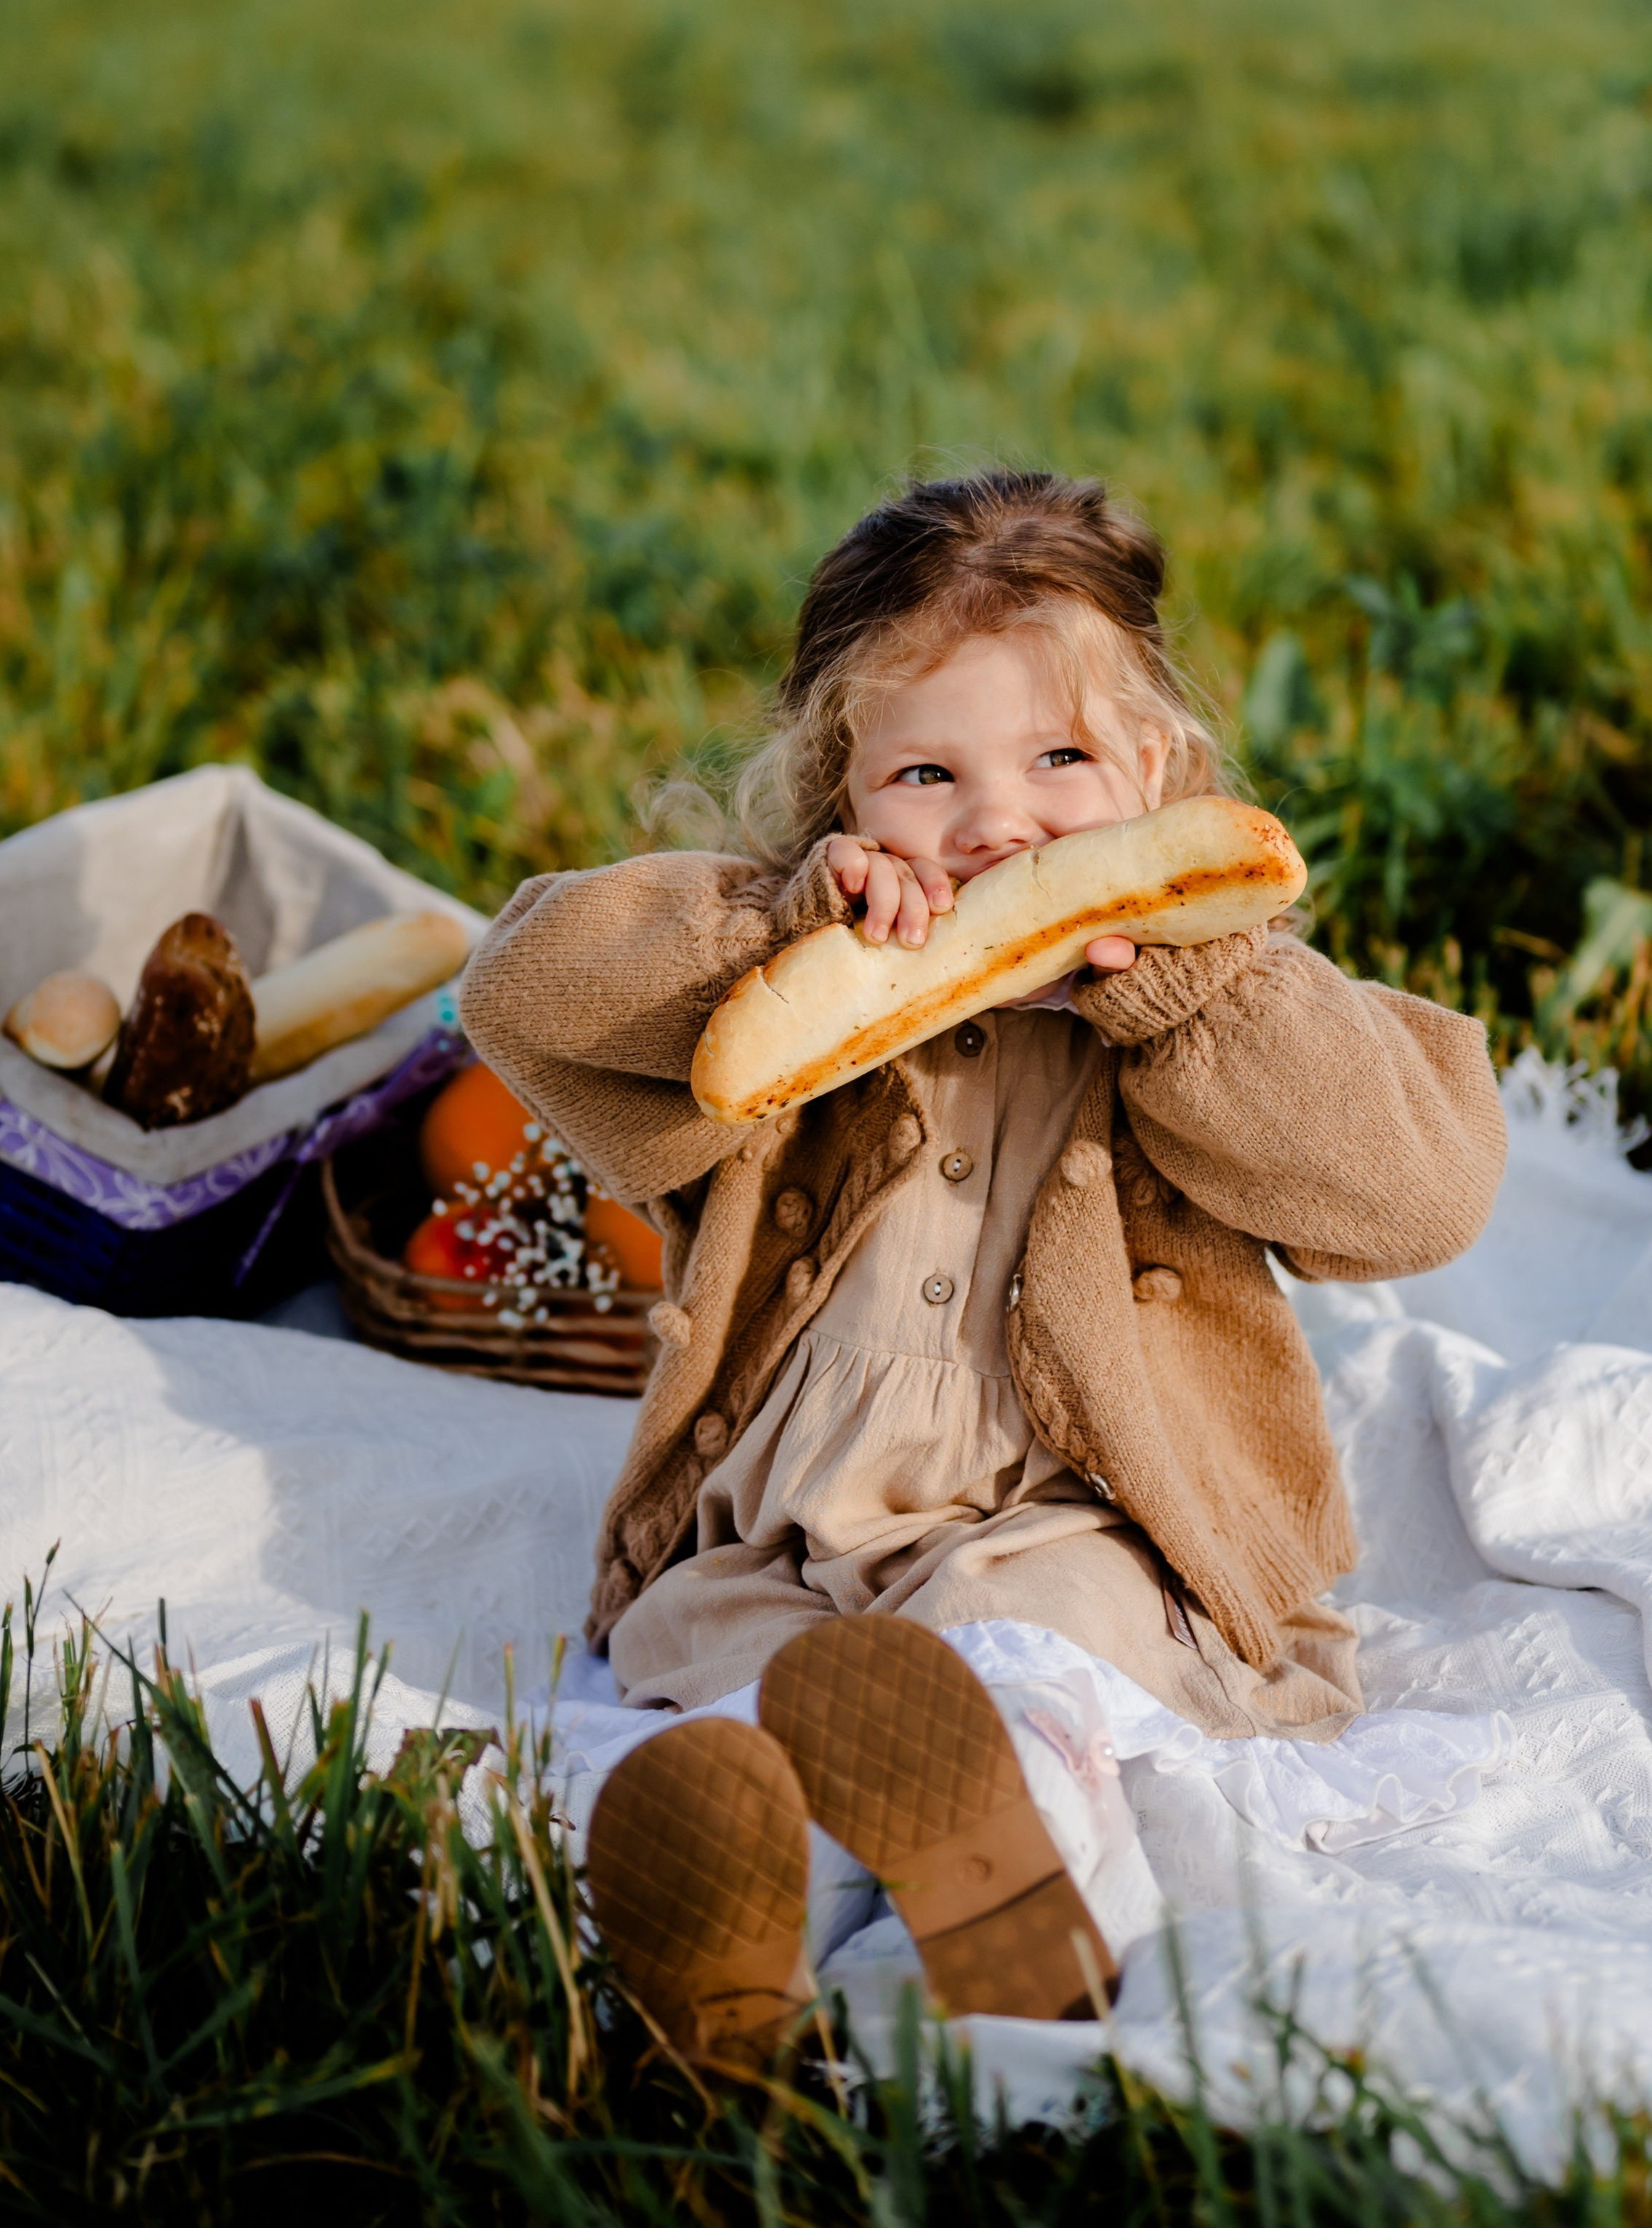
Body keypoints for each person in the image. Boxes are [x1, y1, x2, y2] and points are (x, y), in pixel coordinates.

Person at [460, 470, 1506, 2046]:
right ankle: (743, 1937)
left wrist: (1186, 994)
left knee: (1027, 1675)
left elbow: (1417, 1190)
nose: (996, 820)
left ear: (1148, 770)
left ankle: (1024, 1894)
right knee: (743, 1714)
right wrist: (771, 933)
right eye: (928, 771)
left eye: (1060, 760)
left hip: (1067, 1524)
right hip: (780, 1541)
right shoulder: (801, 998)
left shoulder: (1204, 1005)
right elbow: (516, 992)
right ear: (844, 798)